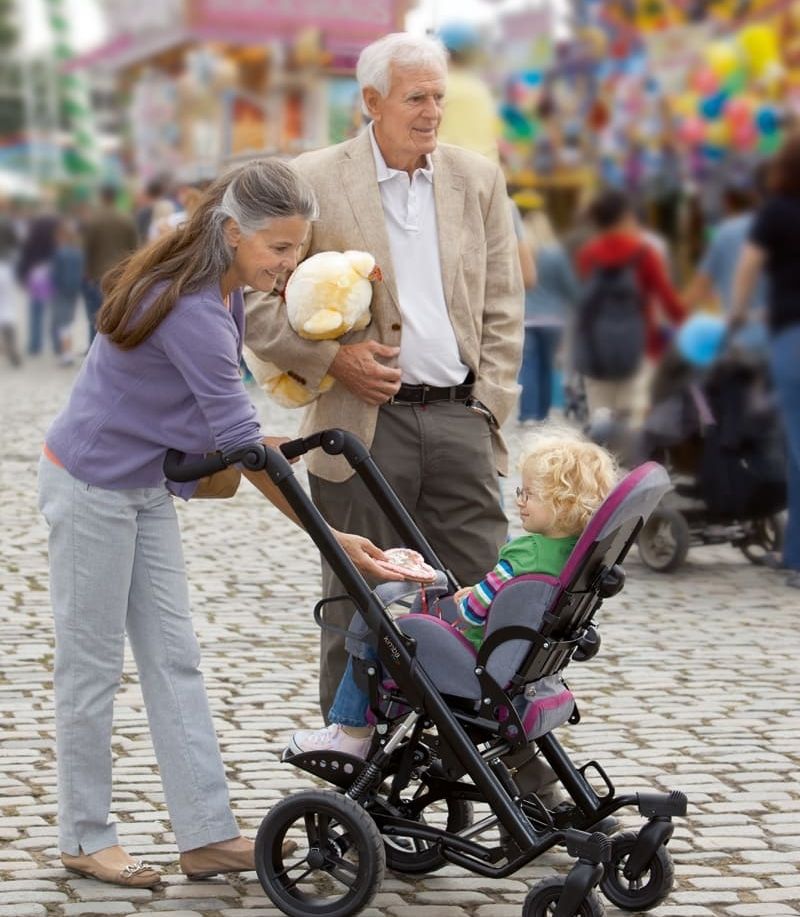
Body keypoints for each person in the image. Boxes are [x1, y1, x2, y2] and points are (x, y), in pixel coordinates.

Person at [37, 159, 425, 890]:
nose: (290, 262)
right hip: (90, 485)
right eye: (278, 247)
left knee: (175, 658)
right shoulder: (191, 309)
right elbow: (247, 448)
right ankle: (85, 836)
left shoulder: (225, 293)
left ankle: (207, 835)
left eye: (297, 246)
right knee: (91, 668)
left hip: (145, 484)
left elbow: (240, 438)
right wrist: (332, 537)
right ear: (231, 232)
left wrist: (300, 480)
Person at [244, 33, 524, 720]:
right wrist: (332, 359)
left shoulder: (477, 179)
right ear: (371, 101)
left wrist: (489, 406)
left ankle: (501, 761)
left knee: (489, 604)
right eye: (415, 98)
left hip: (460, 421)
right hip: (359, 430)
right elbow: (252, 300)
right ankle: (351, 761)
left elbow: (503, 304)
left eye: (438, 97)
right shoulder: (310, 178)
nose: (432, 112)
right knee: (358, 612)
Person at [288, 425, 618, 758]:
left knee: (380, 633)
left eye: (529, 494)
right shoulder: (574, 555)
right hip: (521, 667)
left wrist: (473, 597)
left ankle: (350, 732)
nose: (520, 500)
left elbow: (473, 611)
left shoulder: (525, 553)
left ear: (562, 503)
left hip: (477, 663)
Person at [730, 133, 800, 590]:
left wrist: (737, 313)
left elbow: (749, 266)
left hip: (792, 338)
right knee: (795, 450)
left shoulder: (777, 211)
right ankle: (794, 553)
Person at [575, 188, 686, 427]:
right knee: (632, 424)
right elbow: (667, 299)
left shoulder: (587, 255)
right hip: (641, 347)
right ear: (625, 216)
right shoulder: (644, 253)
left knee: (600, 421)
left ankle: (602, 450)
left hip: (596, 349)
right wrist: (686, 325)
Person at [516, 201, 579, 423]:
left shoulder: (522, 253)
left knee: (528, 366)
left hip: (526, 318)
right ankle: (544, 413)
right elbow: (570, 286)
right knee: (548, 366)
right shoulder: (557, 254)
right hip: (554, 320)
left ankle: (528, 414)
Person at [81, 185, 138, 349]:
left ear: (102, 197)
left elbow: (86, 248)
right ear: (115, 198)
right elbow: (134, 248)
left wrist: (85, 272)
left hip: (96, 274)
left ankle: (94, 349)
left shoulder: (93, 220)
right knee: (115, 315)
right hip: (120, 275)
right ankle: (112, 349)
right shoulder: (126, 218)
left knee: (94, 316)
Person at [50, 218, 85, 365]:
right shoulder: (79, 252)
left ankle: (66, 354)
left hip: (61, 291)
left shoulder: (60, 253)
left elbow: (55, 274)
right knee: (69, 321)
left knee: (62, 322)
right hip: (74, 290)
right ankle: (68, 351)